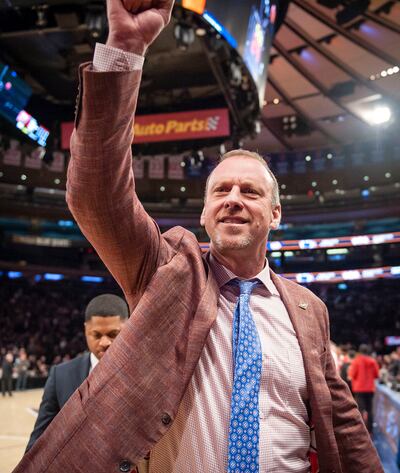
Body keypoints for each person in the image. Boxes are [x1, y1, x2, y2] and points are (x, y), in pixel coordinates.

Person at [13, 1, 383, 472]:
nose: (233, 198)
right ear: (205, 215)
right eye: (220, 191)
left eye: (249, 191)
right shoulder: (168, 271)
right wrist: (125, 49)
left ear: (275, 215)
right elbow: (96, 194)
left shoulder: (311, 312)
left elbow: (346, 428)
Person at [25, 294, 129, 451]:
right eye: (96, 335)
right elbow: (38, 442)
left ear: (129, 328)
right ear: (86, 330)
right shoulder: (60, 375)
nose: (104, 342)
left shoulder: (147, 374)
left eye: (113, 334)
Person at [348, 344, 380, 433]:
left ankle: (361, 430)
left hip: (359, 389)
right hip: (370, 389)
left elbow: (352, 375)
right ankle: (370, 429)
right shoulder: (372, 361)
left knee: (360, 409)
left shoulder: (356, 361)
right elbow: (377, 375)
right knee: (370, 409)